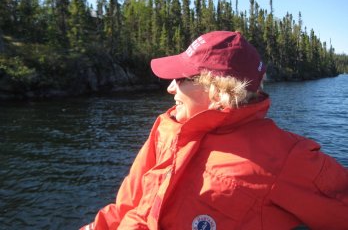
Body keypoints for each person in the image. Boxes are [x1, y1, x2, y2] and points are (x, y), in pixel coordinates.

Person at [81, 31, 348, 230]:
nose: (170, 88)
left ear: (219, 89)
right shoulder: (166, 128)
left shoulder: (285, 158)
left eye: (182, 78)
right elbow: (126, 206)